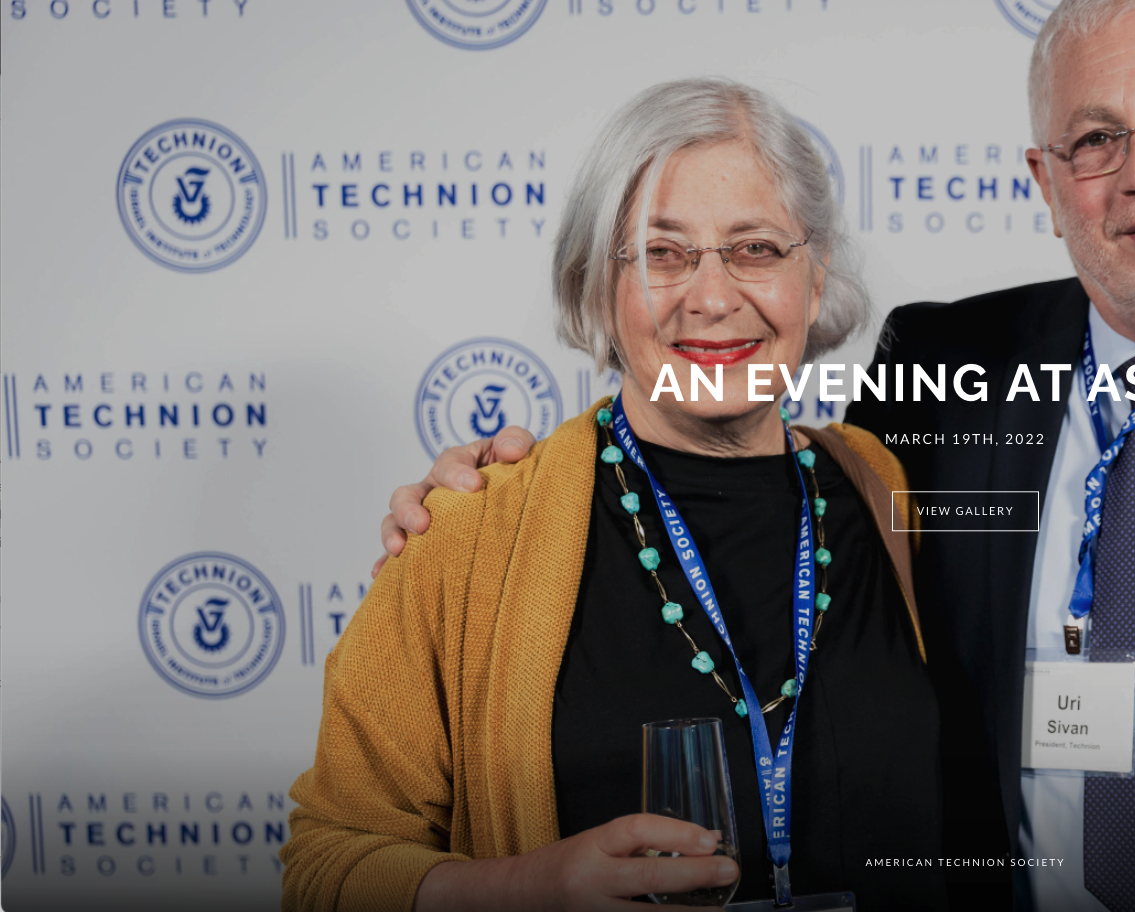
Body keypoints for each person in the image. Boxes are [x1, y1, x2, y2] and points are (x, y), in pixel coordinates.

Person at [379, 2, 1135, 910]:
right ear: (1046, 178)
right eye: (1093, 140)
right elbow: (736, 474)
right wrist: (487, 508)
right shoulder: (941, 373)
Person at [284, 78, 954, 911]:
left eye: (755, 249)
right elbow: (324, 868)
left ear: (813, 281)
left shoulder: (886, 490)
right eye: (663, 253)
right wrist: (530, 890)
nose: (713, 298)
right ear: (599, 287)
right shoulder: (468, 531)